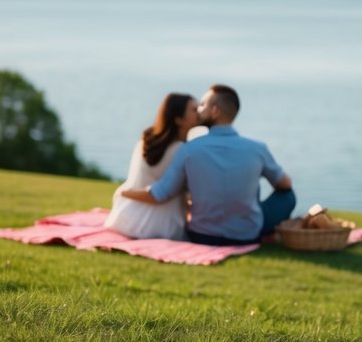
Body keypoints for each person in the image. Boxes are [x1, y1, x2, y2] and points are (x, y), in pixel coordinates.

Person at [122, 84, 295, 246]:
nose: (198, 110)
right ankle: (265, 232)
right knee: (287, 195)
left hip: (202, 236)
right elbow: (285, 184)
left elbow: (162, 193)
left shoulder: (189, 149)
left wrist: (124, 192)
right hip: (246, 235)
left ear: (215, 111)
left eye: (202, 105)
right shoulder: (258, 148)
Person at [103, 92, 199, 239]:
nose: (199, 112)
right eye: (194, 109)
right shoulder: (181, 150)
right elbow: (164, 194)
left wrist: (123, 193)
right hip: (162, 226)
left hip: (127, 216)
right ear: (179, 119)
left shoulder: (146, 141)